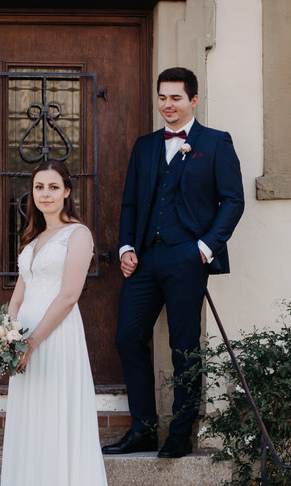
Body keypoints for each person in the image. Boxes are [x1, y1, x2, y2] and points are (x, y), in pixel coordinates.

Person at [0, 159, 237, 486]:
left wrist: (33, 341)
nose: (45, 194)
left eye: (53, 186)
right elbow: (19, 293)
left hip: (53, 343)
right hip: (23, 344)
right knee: (34, 431)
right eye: (38, 187)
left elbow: (67, 296)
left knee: (57, 430)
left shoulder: (76, 235)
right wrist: (0, 334)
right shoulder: (31, 241)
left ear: (67, 192)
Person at [104, 67, 245, 459]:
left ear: (193, 100)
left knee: (184, 346)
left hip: (188, 257)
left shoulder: (215, 143)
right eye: (162, 97)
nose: (168, 105)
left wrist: (205, 247)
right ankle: (144, 429)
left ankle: (181, 433)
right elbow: (130, 200)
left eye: (176, 98)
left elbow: (233, 200)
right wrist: (126, 247)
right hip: (146, 257)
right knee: (128, 337)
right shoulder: (145, 146)